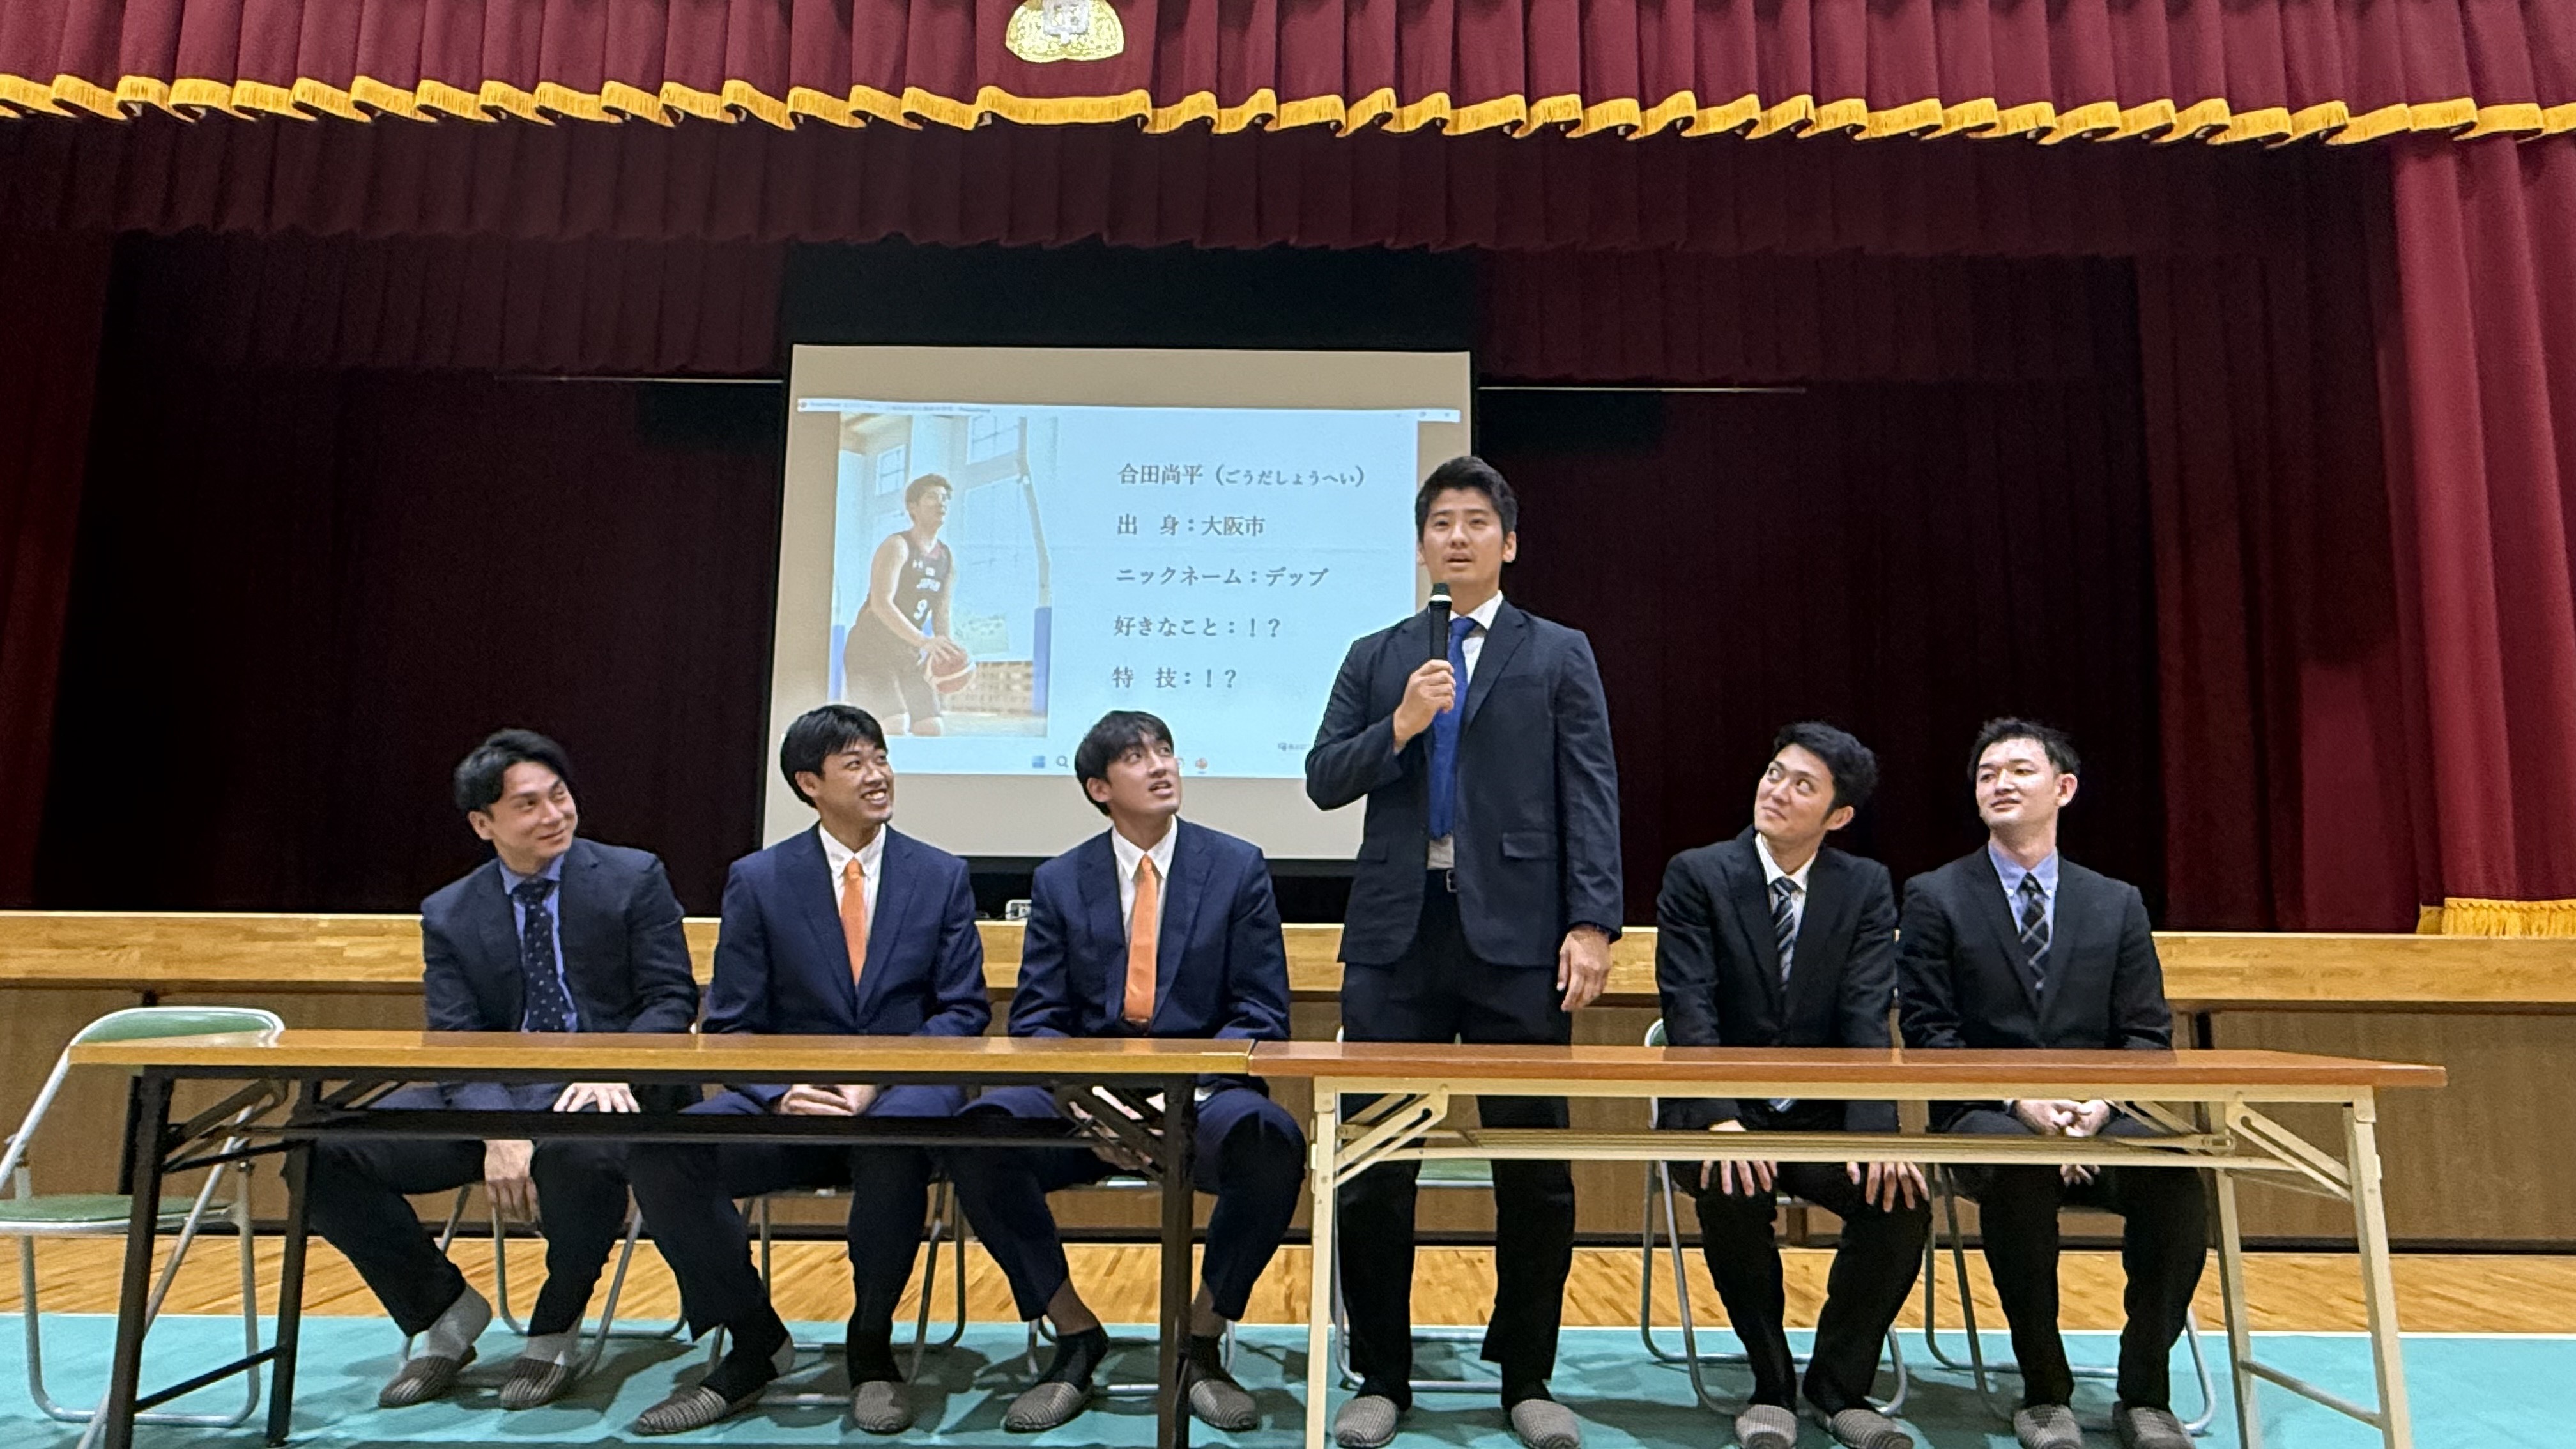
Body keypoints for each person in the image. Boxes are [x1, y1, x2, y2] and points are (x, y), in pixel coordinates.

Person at [1305, 455, 1621, 1449]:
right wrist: (1400, 724)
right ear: (1420, 545)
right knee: (1375, 1166)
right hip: (1396, 936)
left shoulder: (1557, 652)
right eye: (1440, 522)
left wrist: (1593, 922)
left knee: (1535, 1167)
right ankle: (1381, 1375)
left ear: (1508, 543)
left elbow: (1590, 788)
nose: (1457, 536)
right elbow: (1324, 778)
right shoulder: (1378, 655)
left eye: (1476, 521)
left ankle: (1527, 1374)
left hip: (1520, 937)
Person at [307, 729, 698, 1411]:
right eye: (528, 805)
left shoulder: (634, 877)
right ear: (483, 824)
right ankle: (443, 1311)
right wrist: (498, 1127)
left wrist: (613, 1064)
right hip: (499, 1092)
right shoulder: (450, 911)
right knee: (321, 1153)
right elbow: (456, 1037)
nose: (554, 815)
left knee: (578, 1155)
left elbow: (672, 999)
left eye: (560, 795)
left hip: (613, 1088)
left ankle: (554, 1329)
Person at [626, 704, 989, 1436]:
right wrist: (783, 1089)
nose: (878, 775)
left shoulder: (940, 874)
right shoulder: (761, 879)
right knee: (663, 1154)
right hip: (790, 1099)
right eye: (855, 763)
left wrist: (875, 1079)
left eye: (881, 757)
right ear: (809, 784)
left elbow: (962, 1011)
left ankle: (871, 1346)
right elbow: (731, 1023)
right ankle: (755, 1338)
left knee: (893, 1142)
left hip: (901, 1097)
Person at [947, 710, 1303, 1434]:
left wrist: (1185, 1093)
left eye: (1165, 750)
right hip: (1089, 1094)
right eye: (1138, 758)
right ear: (1099, 788)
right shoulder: (1060, 880)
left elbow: (1261, 1011)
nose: (1161, 765)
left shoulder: (1236, 866)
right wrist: (1092, 1102)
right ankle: (1075, 1334)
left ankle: (1200, 1340)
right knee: (980, 1132)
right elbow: (1036, 1019)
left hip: (1202, 1093)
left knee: (1272, 1140)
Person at [1897, 719, 2200, 1449]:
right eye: (1986, 774)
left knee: (2178, 1178)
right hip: (1986, 1113)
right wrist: (2019, 1103)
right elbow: (1930, 1032)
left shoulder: (2116, 901)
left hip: (2101, 1111)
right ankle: (2044, 1390)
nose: (2000, 784)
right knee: (2021, 1172)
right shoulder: (1936, 896)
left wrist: (2098, 1106)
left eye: (2019, 771)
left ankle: (2145, 1392)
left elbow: (2146, 1034)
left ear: (2063, 788)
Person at [1655, 724, 1928, 1449]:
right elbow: (1689, 1007)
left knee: (1900, 1199)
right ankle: (1770, 1384)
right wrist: (1720, 1120)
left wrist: (1875, 1135)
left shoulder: (1863, 886)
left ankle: (1838, 1385)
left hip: (1819, 1117)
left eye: (1803, 785)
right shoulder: (1698, 874)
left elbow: (1867, 1015)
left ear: (1839, 816)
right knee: (1733, 1183)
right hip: (1719, 1111)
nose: (1776, 791)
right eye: (1775, 773)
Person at [843, 473, 969, 736]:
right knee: (895, 724)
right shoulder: (897, 546)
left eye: (945, 498)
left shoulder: (946, 558)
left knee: (932, 727)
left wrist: (946, 652)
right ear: (913, 507)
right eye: (932, 497)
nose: (941, 503)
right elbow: (881, 603)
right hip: (870, 651)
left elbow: (942, 613)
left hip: (907, 655)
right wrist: (924, 641)